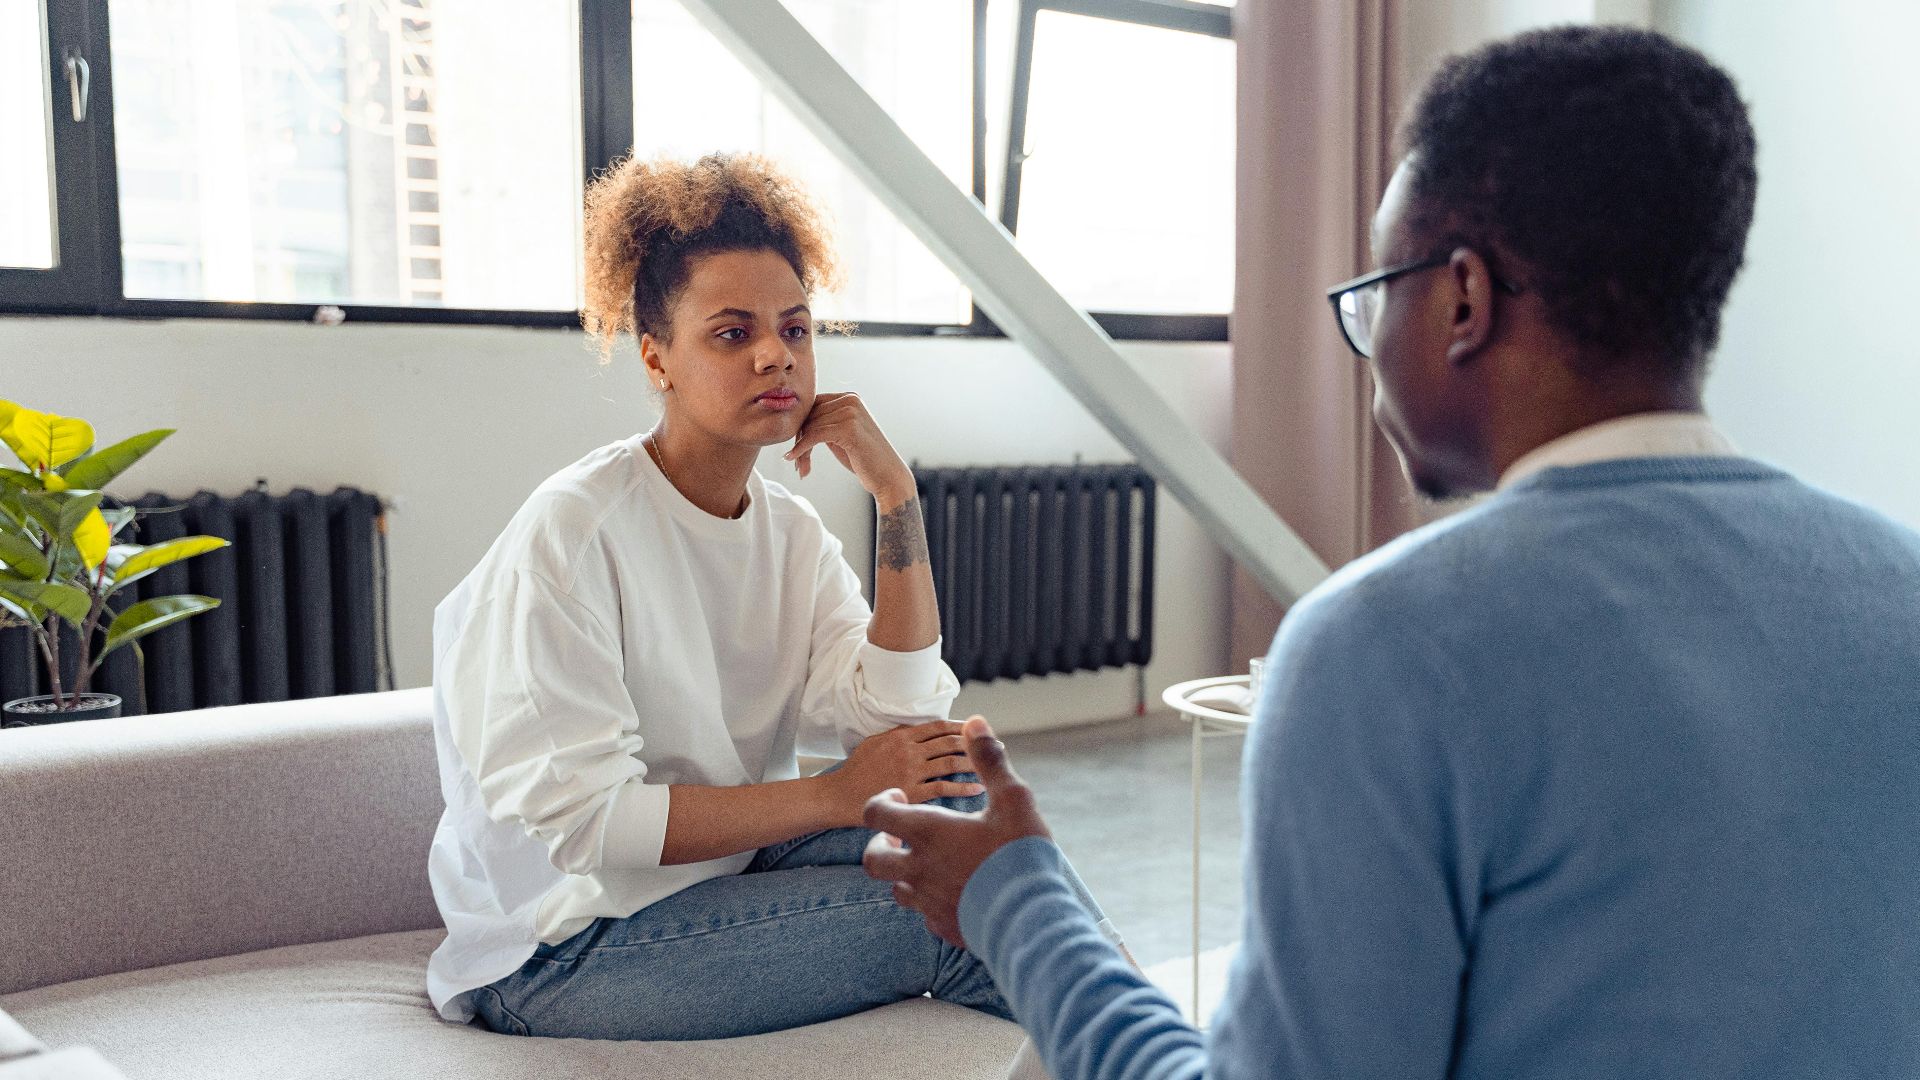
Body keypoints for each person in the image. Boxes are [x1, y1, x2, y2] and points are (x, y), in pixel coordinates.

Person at [862, 24, 1920, 1079]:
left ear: (1464, 299)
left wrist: (1017, 899)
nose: (1367, 338)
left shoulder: (1389, 646)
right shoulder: (1900, 585)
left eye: (1379, 289)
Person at [422, 151, 1119, 1042]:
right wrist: (836, 796)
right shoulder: (575, 532)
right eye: (731, 332)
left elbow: (894, 716)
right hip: (562, 945)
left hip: (726, 871)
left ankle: (1177, 1058)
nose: (774, 355)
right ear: (656, 359)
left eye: (795, 329)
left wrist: (895, 496)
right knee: (950, 916)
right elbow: (593, 824)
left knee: (982, 844)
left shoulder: (786, 532)